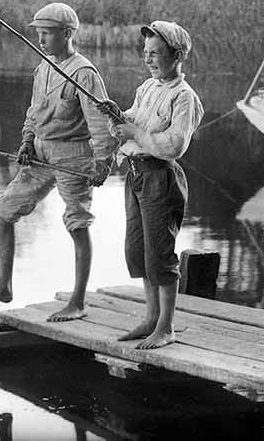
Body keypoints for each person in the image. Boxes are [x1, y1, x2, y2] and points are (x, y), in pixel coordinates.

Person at [0, 2, 115, 322]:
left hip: (74, 155)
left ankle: (77, 301)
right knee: (3, 212)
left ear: (68, 34)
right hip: (41, 154)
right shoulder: (44, 67)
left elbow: (100, 123)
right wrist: (27, 141)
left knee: (77, 223)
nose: (42, 40)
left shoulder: (84, 73)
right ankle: (4, 285)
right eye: (39, 33)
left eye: (47, 33)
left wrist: (103, 162)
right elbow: (33, 112)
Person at [97, 20, 203, 349]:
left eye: (156, 53)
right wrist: (119, 116)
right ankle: (150, 318)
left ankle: (166, 327)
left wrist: (135, 133)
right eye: (146, 53)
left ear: (177, 55)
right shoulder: (146, 88)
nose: (149, 59)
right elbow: (134, 121)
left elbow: (173, 145)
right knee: (138, 252)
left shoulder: (184, 97)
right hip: (135, 174)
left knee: (160, 256)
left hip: (161, 178)